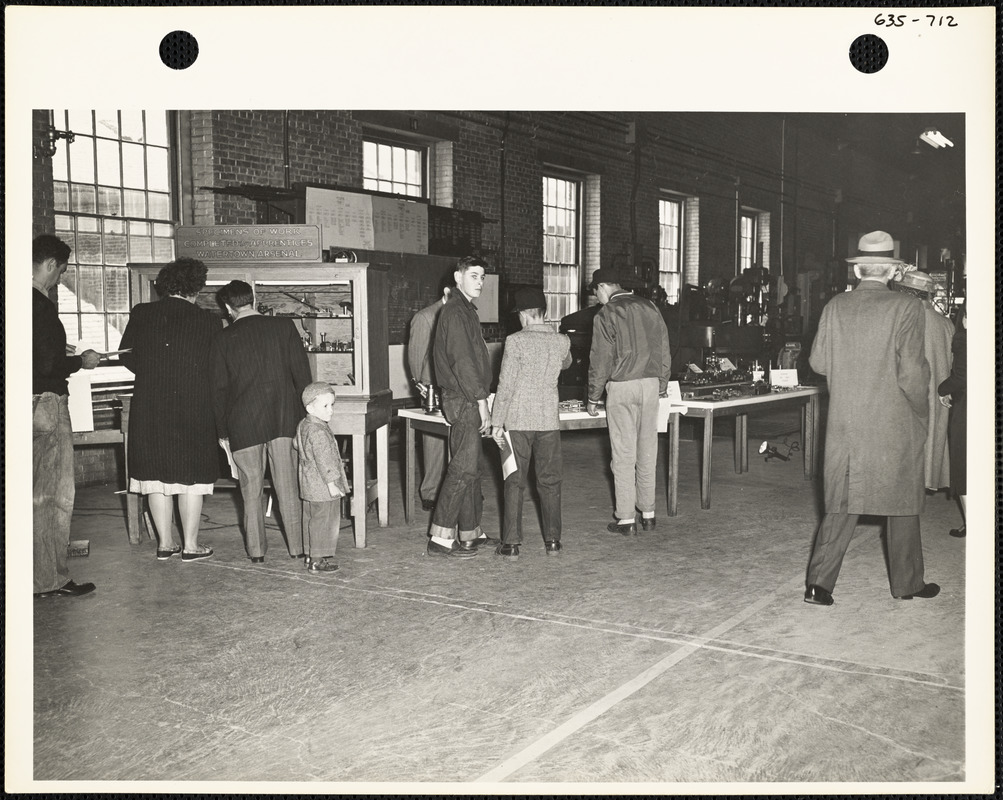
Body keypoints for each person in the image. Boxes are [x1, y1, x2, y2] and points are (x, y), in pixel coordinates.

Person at [804, 230, 940, 605]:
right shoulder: (906, 308)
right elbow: (912, 373)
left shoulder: (835, 306)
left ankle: (819, 585)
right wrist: (921, 412)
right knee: (902, 503)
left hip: (846, 422)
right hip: (892, 421)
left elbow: (817, 362)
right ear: (891, 271)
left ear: (859, 270)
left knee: (842, 503)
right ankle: (907, 583)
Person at [120, 258, 222, 562]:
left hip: (151, 405)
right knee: (192, 476)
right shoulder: (208, 320)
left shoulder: (142, 313)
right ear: (198, 287)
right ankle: (191, 545)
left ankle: (165, 544)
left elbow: (127, 356)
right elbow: (215, 367)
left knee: (156, 474)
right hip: (194, 406)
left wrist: (154, 373)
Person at [210, 280, 313, 563]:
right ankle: (298, 548)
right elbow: (302, 376)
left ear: (228, 308)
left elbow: (218, 390)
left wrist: (222, 432)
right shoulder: (283, 328)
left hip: (242, 424)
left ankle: (256, 552)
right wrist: (307, 418)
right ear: (253, 299)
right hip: (283, 419)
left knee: (250, 489)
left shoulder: (222, 338)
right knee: (288, 486)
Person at [32, 234, 101, 597]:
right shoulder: (41, 306)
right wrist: (80, 360)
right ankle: (49, 579)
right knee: (53, 497)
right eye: (60, 272)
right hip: (45, 405)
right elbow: (48, 364)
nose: (60, 279)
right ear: (49, 265)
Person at [586, 268, 672, 535]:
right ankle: (648, 514)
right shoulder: (650, 307)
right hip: (649, 384)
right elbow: (664, 348)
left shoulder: (606, 313)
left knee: (623, 454)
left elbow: (600, 360)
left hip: (622, 387)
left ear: (602, 287)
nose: (597, 298)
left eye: (596, 292)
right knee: (647, 451)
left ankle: (625, 519)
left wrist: (593, 395)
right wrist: (662, 384)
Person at [490, 287, 573, 559]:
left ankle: (511, 544)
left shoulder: (514, 341)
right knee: (550, 481)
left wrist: (496, 422)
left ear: (524, 315)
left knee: (514, 481)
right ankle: (553, 542)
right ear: (544, 313)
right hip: (548, 421)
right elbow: (567, 363)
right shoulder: (561, 341)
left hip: (517, 421)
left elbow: (505, 385)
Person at [426, 256, 495, 557]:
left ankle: (470, 533)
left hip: (467, 396)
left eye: (482, 277)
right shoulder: (455, 313)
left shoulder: (464, 310)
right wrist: (483, 404)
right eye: (474, 276)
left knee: (471, 469)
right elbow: (464, 364)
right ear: (458, 277)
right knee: (464, 468)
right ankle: (440, 535)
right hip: (464, 398)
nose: (480, 282)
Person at [890, 269, 954, 492]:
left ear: (906, 292)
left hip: (906, 393)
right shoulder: (946, 324)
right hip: (938, 395)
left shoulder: (899, 320)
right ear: (929, 295)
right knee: (932, 441)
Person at [293, 382, 350, 573]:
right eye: (325, 406)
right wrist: (332, 484)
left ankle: (310, 555)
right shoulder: (318, 431)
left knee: (311, 519)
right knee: (324, 522)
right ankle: (318, 560)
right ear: (310, 407)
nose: (331, 411)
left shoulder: (305, 424)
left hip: (309, 484)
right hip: (323, 487)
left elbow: (295, 443)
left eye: (332, 405)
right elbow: (325, 461)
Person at [407, 280, 451, 511]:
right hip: (433, 388)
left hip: (459, 388)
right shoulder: (425, 318)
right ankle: (431, 492)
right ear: (447, 291)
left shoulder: (466, 315)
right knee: (433, 443)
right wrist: (422, 386)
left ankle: (458, 489)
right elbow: (416, 358)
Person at [938, 301, 967, 537]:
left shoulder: (964, 338)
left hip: (968, 408)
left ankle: (973, 523)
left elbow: (960, 377)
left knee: (962, 465)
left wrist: (942, 388)